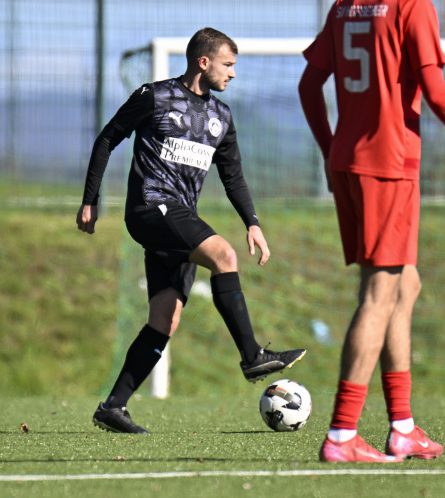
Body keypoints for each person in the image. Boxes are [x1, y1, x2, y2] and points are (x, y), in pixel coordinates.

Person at [299, 0, 445, 462]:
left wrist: (329, 148)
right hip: (388, 163)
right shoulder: (413, 6)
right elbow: (435, 88)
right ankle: (342, 434)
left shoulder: (346, 3)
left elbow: (308, 86)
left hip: (348, 161)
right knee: (379, 292)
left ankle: (402, 427)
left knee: (405, 285)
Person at [78, 28, 306, 434]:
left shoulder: (222, 117)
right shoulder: (155, 96)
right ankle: (252, 356)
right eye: (228, 64)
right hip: (151, 207)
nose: (233, 73)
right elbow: (108, 138)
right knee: (224, 255)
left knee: (165, 319)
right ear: (204, 62)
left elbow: (233, 176)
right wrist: (90, 200)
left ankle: (113, 406)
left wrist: (252, 222)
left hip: (178, 219)